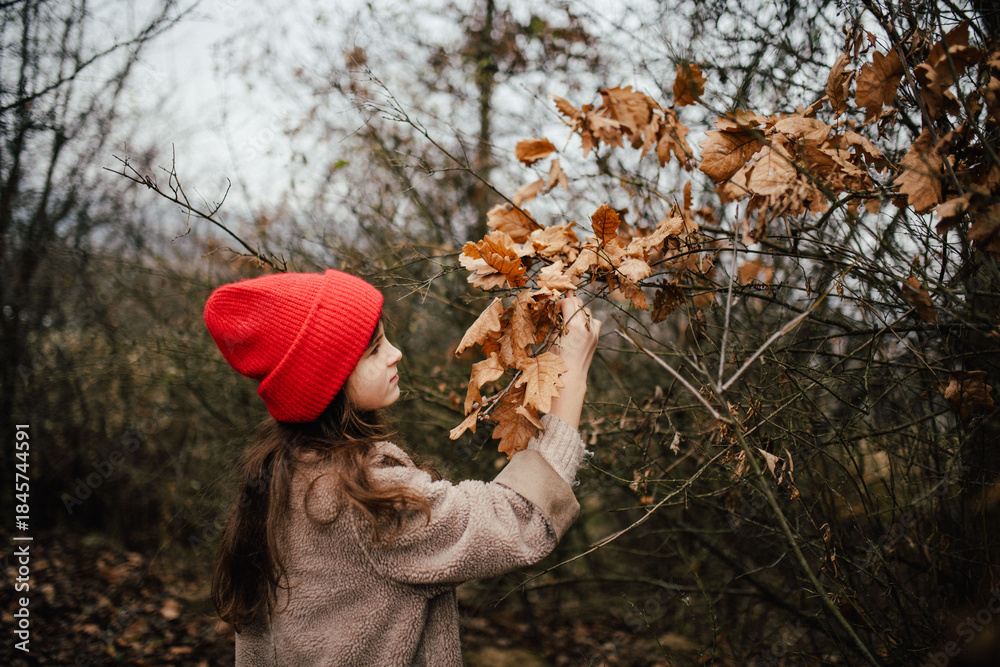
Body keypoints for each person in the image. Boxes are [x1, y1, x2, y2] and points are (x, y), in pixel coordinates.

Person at [204, 269, 602, 666]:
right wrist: (574, 376)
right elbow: (516, 518)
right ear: (326, 382)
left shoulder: (278, 477)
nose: (395, 352)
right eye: (375, 349)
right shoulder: (366, 498)